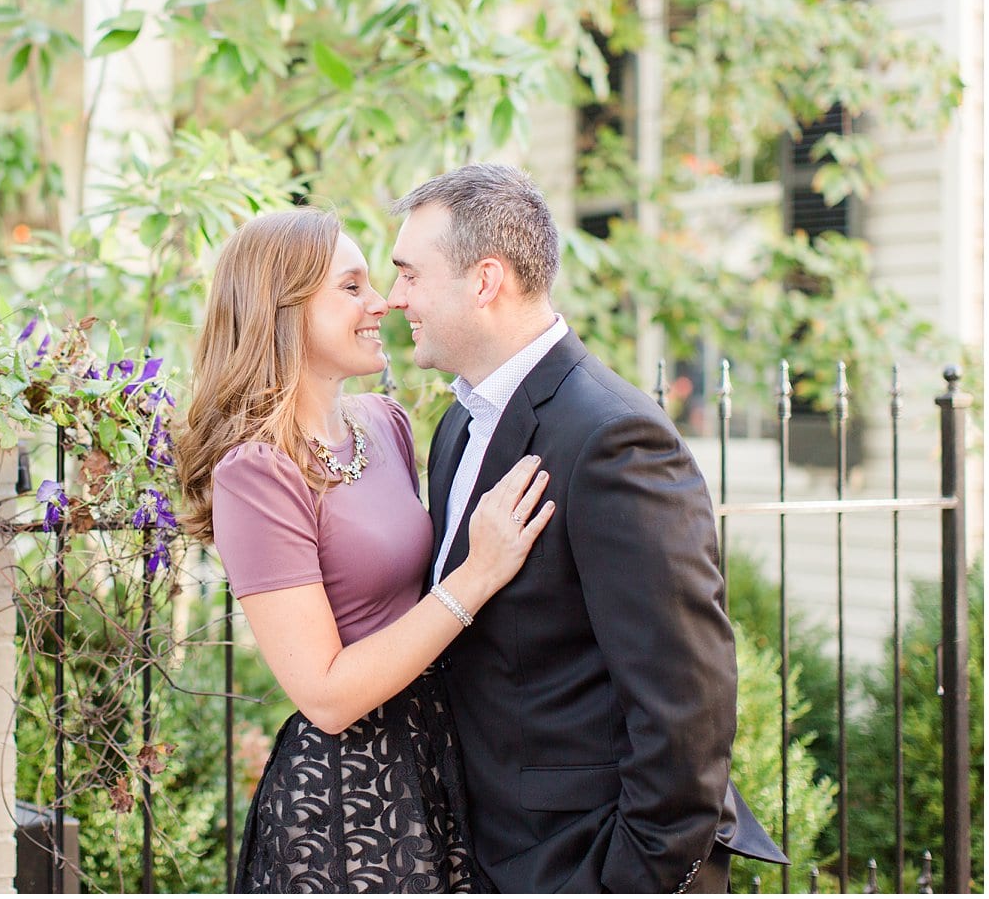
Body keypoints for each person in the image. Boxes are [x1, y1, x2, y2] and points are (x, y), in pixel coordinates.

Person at [387, 162, 788, 893]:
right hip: (485, 848)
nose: (393, 298)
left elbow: (686, 698)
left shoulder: (611, 435)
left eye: (409, 274)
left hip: (584, 859)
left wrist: (632, 873)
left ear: (484, 280)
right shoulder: (456, 426)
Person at [177, 208, 552, 893]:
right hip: (348, 797)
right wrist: (479, 574)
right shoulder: (256, 473)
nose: (381, 301)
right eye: (351, 287)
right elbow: (323, 695)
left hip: (443, 754)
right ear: (282, 310)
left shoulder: (384, 423)